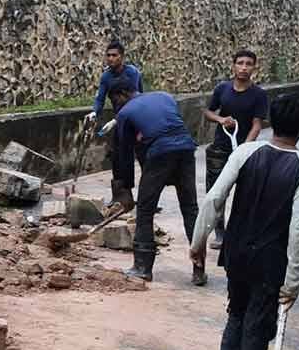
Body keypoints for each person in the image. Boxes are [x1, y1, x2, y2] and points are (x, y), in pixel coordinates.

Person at [190, 93, 299, 350]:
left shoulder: (246, 152)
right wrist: (293, 281)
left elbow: (214, 197)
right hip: (270, 261)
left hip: (236, 253)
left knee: (237, 314)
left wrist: (198, 241)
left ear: (272, 120)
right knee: (258, 328)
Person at [108, 77, 204, 285]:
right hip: (186, 149)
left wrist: (126, 188)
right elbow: (165, 126)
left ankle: (143, 267)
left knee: (144, 210)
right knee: (190, 208)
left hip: (161, 153)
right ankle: (199, 270)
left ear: (121, 95)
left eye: (114, 100)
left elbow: (125, 154)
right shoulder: (164, 96)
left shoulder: (124, 113)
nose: (115, 106)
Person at [202, 50, 269, 249]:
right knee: (216, 193)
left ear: (254, 67)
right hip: (220, 149)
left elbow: (257, 124)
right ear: (233, 65)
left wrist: (245, 149)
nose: (244, 67)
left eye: (249, 63)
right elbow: (207, 111)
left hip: (244, 151)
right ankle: (219, 233)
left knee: (245, 193)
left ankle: (237, 232)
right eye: (240, 63)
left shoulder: (259, 94)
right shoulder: (222, 89)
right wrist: (221, 119)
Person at [86, 41, 144, 211]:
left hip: (137, 118)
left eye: (114, 55)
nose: (110, 58)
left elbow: (135, 98)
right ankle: (121, 197)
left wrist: (117, 120)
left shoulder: (132, 73)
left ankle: (147, 198)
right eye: (108, 55)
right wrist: (94, 112)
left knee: (143, 158)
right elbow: (100, 98)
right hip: (119, 122)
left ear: (122, 57)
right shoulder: (106, 77)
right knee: (118, 158)